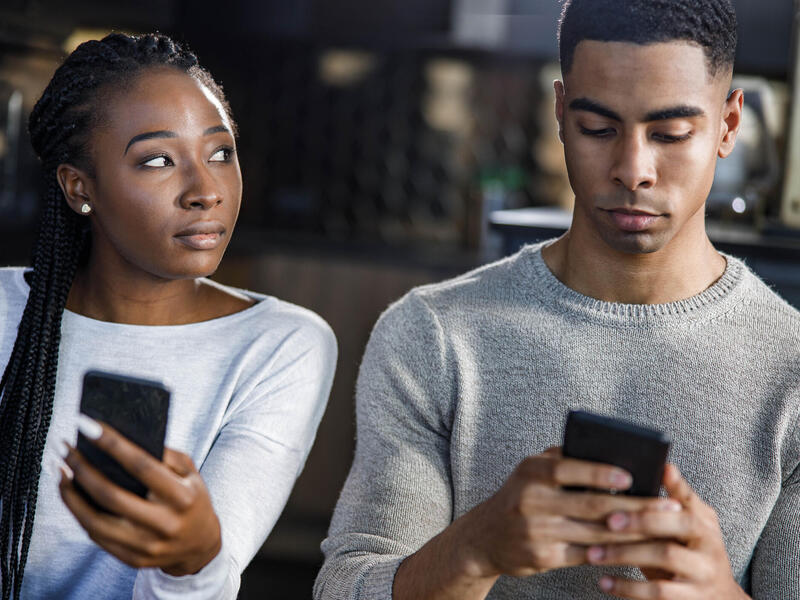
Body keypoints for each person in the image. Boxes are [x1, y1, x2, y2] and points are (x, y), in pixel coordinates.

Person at [314, 1, 799, 598]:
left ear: (728, 126)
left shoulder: (792, 367)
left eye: (670, 134)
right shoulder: (434, 335)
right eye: (599, 128)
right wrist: (475, 548)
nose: (633, 169)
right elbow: (345, 587)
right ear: (562, 112)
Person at [0, 33, 337, 599]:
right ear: (79, 187)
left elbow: (211, 577)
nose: (205, 191)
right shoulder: (7, 311)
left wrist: (192, 558)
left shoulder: (283, 345)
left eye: (220, 153)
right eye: (157, 160)